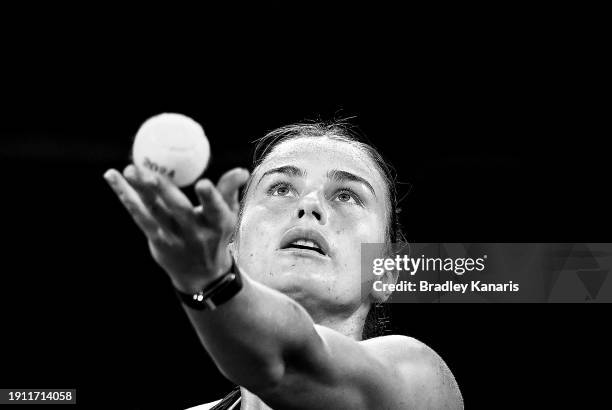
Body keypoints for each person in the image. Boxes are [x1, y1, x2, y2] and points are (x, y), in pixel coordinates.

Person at [104, 121, 463, 409]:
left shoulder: (418, 383)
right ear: (233, 247)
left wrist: (211, 281)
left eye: (347, 195)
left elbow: (289, 365)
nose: (309, 204)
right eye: (280, 189)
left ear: (384, 273)